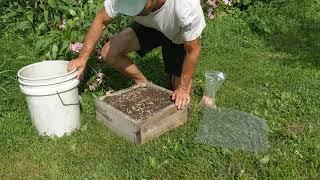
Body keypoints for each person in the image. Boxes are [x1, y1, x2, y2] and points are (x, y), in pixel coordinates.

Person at [67, 0, 206, 110]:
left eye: (139, 9)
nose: (135, 14)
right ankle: (144, 83)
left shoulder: (186, 7)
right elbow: (101, 19)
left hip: (178, 34)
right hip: (151, 27)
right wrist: (82, 58)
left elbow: (193, 50)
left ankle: (175, 80)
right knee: (109, 53)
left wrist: (182, 88)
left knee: (181, 100)